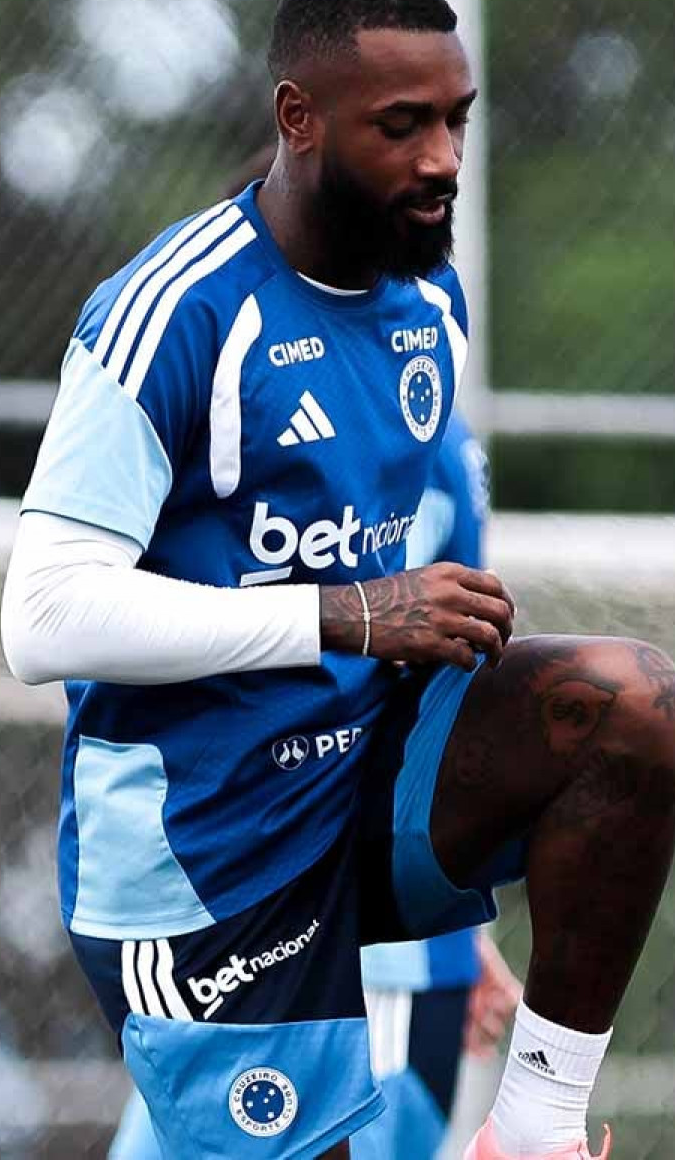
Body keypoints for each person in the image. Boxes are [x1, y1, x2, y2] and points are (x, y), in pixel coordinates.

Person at [1, 0, 675, 1160]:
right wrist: (349, 613)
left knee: (627, 704)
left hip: (363, 791)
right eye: (402, 125)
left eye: (456, 120)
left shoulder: (429, 311)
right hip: (203, 856)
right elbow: (42, 616)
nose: (441, 158)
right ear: (298, 117)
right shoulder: (173, 313)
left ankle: (532, 1132)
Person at [104, 413, 526, 1159]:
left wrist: (458, 932)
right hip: (239, 927)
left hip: (376, 970)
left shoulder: (420, 429)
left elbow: (447, 676)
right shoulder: (209, 402)